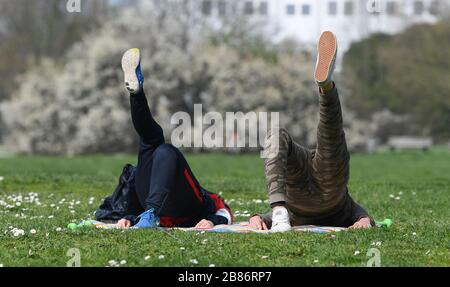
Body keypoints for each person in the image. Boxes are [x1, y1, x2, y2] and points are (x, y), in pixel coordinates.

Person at [249, 31, 374, 232]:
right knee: (328, 136)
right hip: (323, 189)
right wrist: (256, 218)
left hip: (318, 193)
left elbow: (360, 215)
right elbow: (360, 214)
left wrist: (364, 219)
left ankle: (278, 209)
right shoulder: (345, 211)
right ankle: (326, 87)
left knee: (324, 136)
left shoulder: (346, 212)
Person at [116, 48, 232, 229]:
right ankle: (136, 93)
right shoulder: (205, 197)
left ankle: (136, 94)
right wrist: (130, 219)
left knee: (161, 148)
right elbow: (225, 211)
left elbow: (224, 213)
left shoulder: (209, 201)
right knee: (153, 140)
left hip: (182, 207)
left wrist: (211, 220)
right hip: (152, 199)